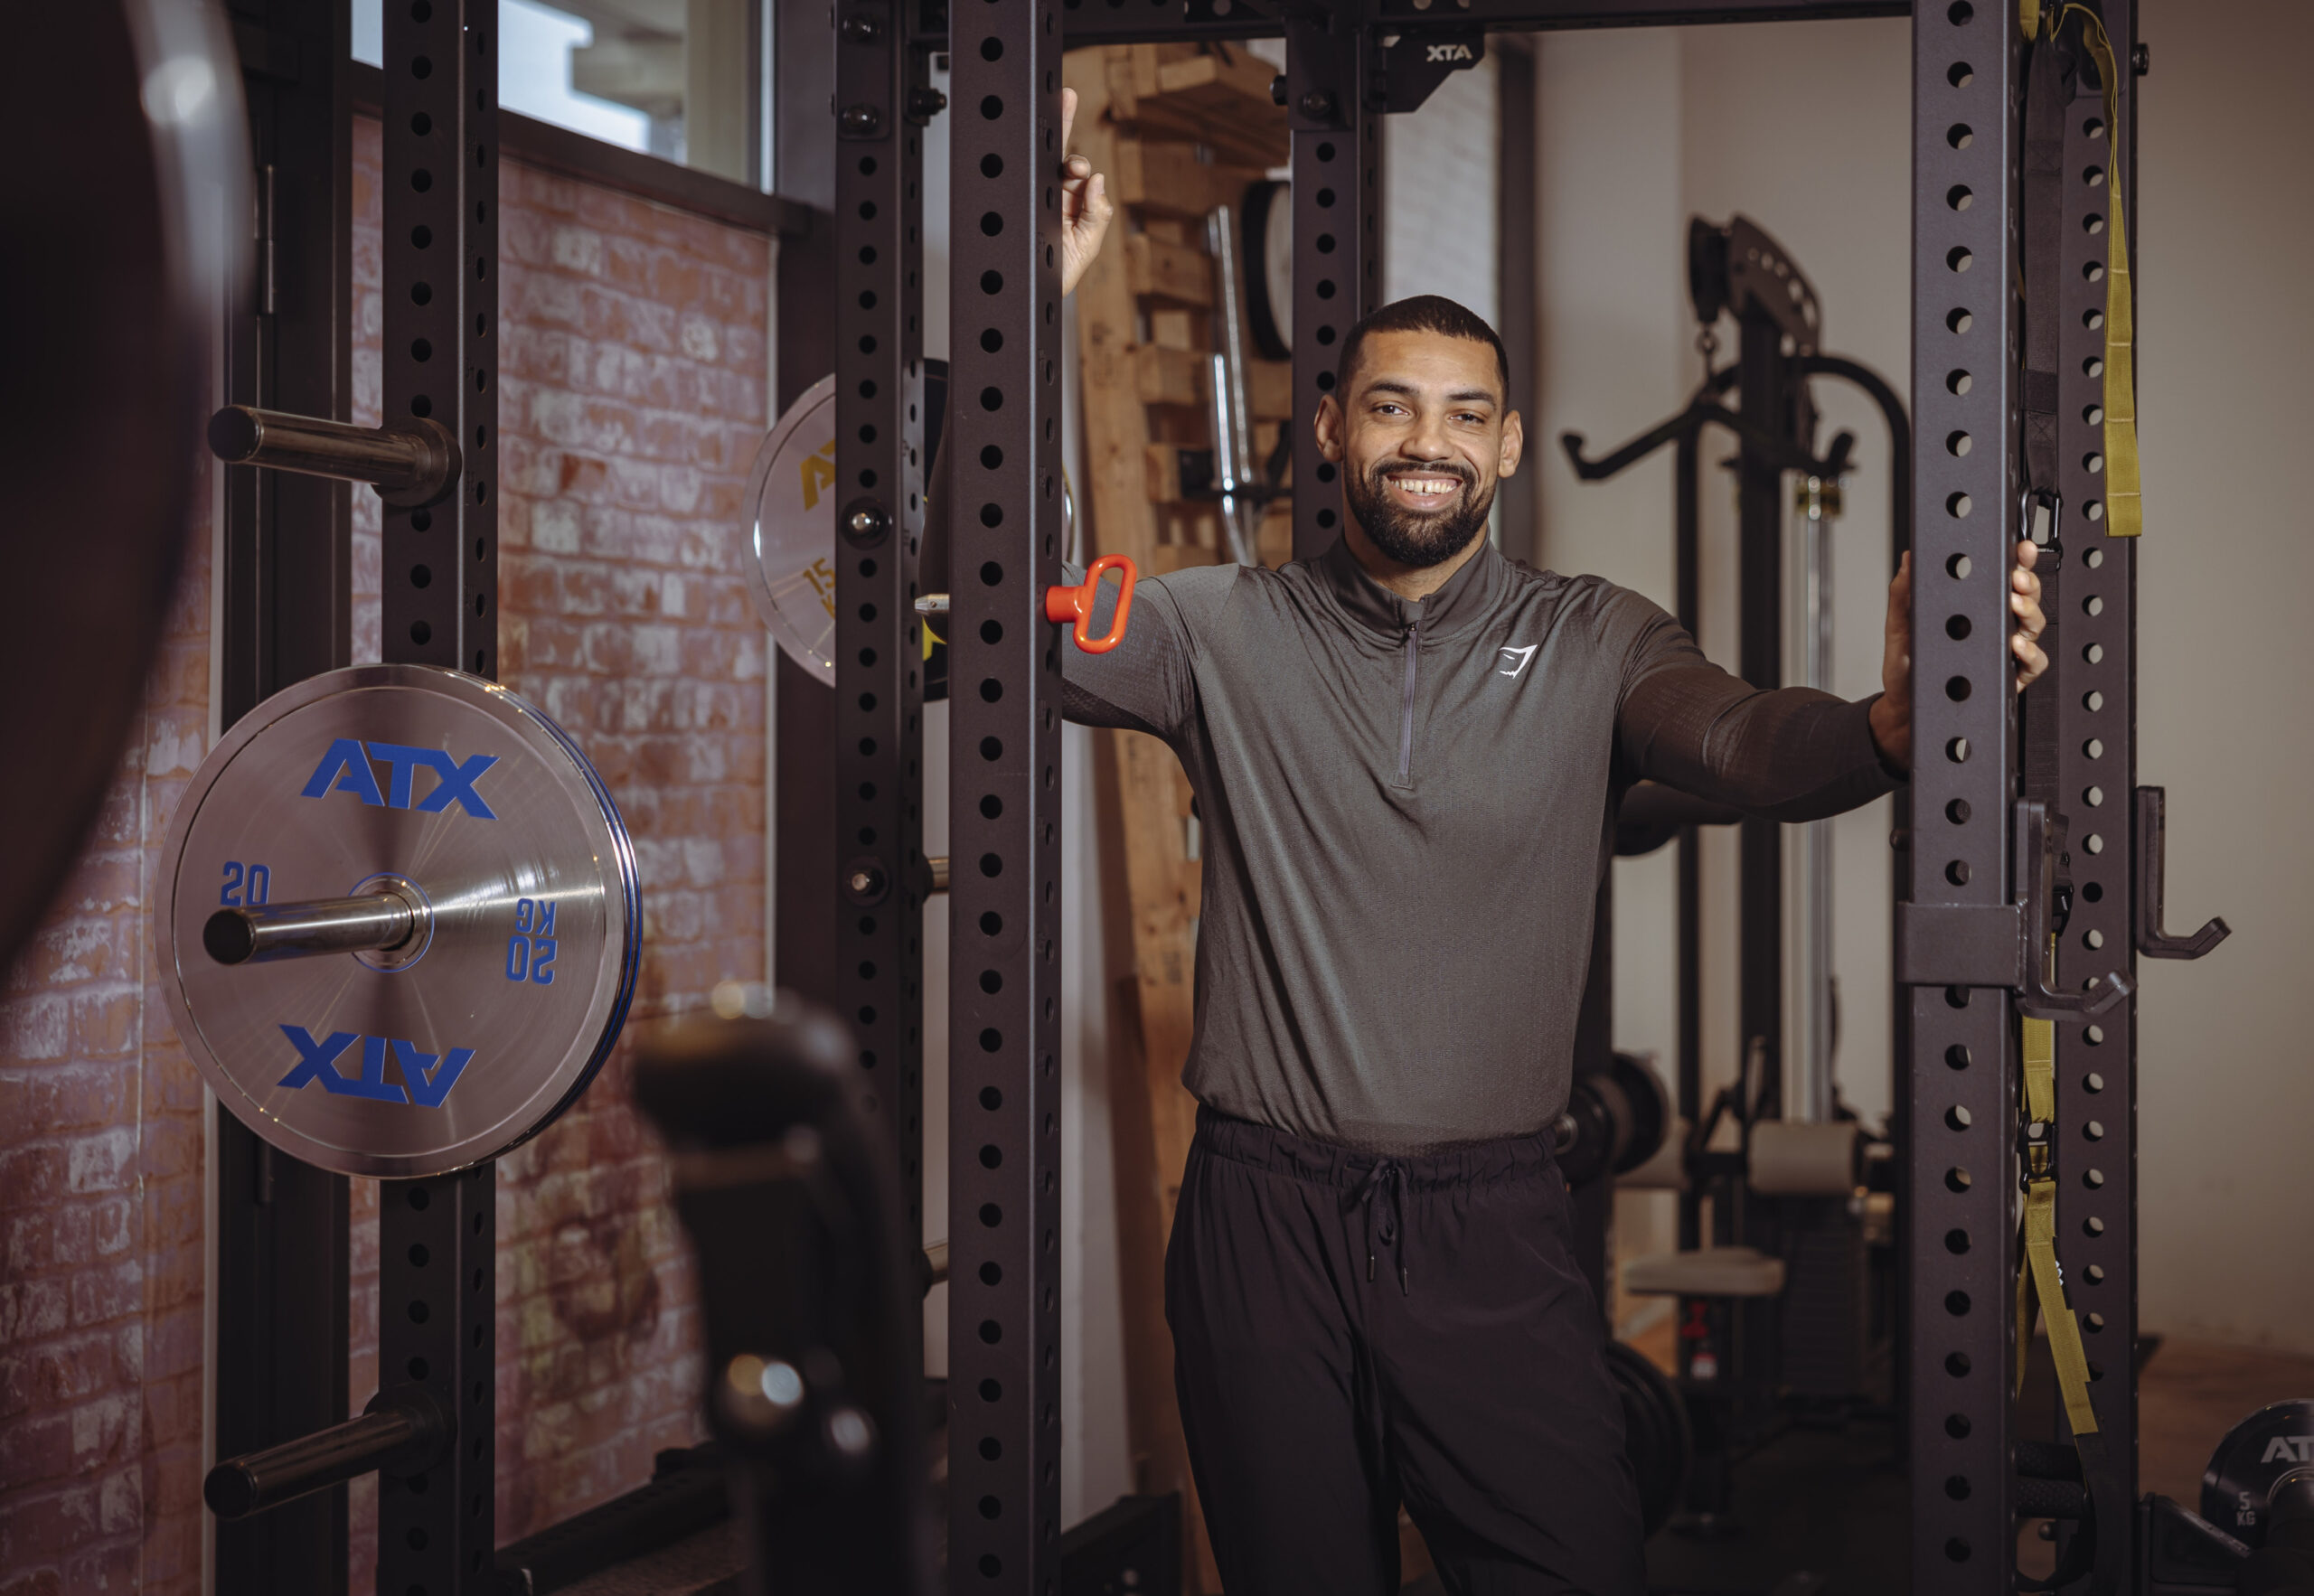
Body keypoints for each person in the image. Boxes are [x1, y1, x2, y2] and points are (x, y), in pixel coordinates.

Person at [940, 91, 2048, 1595]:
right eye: (1390, 404)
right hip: (1262, 1220)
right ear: (1329, 426)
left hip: (1492, 1229)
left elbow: (1732, 739)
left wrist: (1885, 730)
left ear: (1510, 443)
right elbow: (999, 617)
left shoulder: (1594, 638)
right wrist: (1018, 302)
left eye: (1465, 413)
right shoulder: (1219, 627)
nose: (1426, 443)